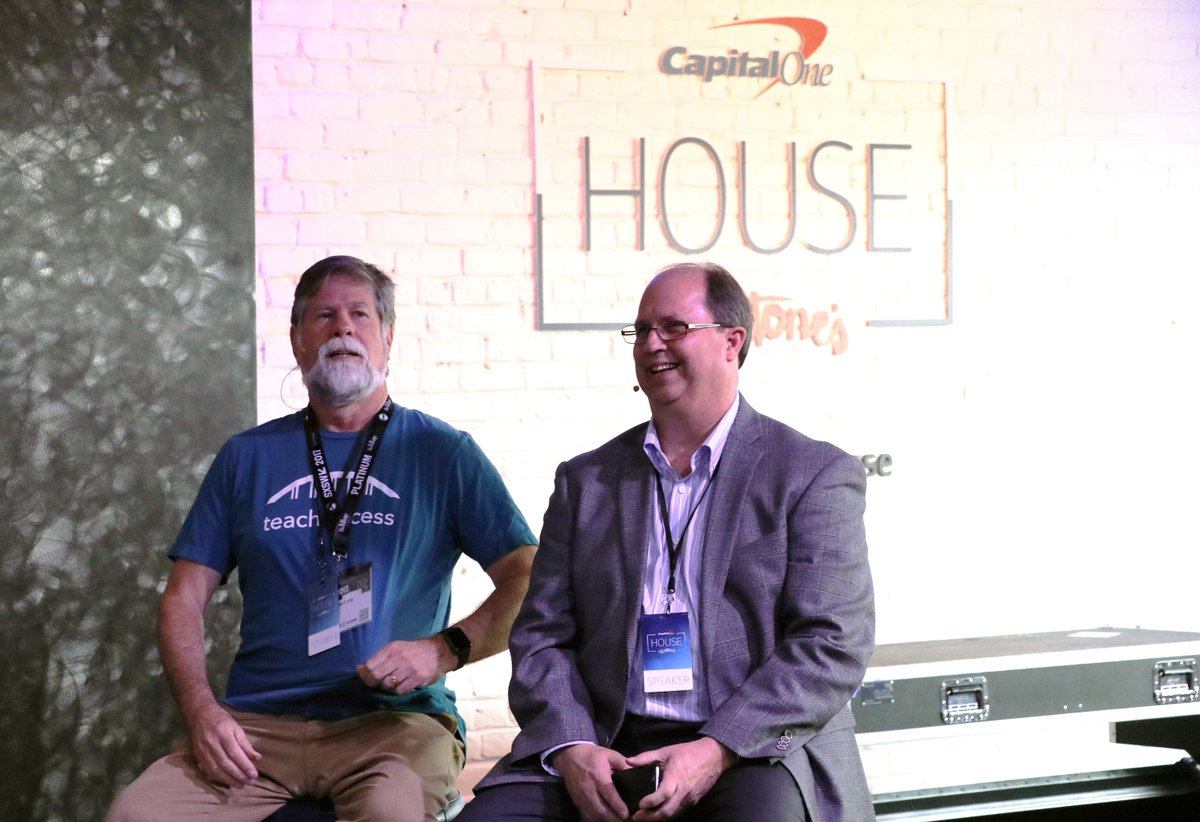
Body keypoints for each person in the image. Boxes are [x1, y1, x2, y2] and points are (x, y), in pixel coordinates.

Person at [107, 255, 537, 822]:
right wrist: (202, 711)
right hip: (257, 730)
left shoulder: (442, 453)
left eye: (360, 314)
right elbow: (182, 599)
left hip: (393, 728)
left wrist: (445, 649)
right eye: (323, 315)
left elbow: (530, 577)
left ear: (386, 337)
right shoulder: (247, 458)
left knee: (391, 814)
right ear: (296, 340)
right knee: (134, 815)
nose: (343, 328)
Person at [461, 262, 875, 822]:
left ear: (733, 342)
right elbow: (540, 637)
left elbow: (832, 643)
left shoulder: (811, 473)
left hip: (751, 749)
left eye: (674, 327)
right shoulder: (587, 481)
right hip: (606, 741)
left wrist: (716, 748)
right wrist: (573, 746)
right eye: (643, 330)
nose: (652, 344)